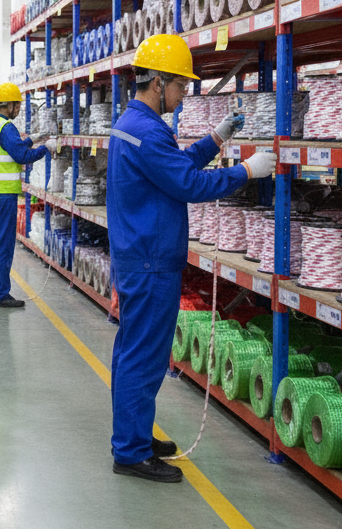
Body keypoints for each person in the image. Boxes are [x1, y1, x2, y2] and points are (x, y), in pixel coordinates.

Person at [106, 34, 276, 483]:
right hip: (150, 262)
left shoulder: (133, 124)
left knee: (132, 353)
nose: (184, 96)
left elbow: (172, 165)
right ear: (159, 81)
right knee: (143, 357)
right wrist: (245, 171)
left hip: (138, 255)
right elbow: (189, 185)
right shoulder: (147, 131)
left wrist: (216, 138)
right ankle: (131, 451)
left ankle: (134, 435)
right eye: (182, 85)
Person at [0, 83, 55, 309]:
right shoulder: (6, 127)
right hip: (3, 194)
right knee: (2, 244)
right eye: (17, 105)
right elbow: (20, 155)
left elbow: (9, 147)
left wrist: (33, 138)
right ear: (9, 105)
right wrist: (45, 148)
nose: (19, 109)